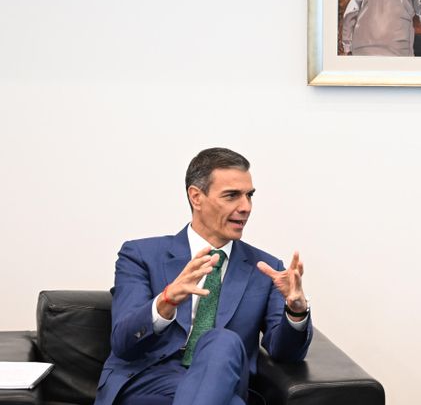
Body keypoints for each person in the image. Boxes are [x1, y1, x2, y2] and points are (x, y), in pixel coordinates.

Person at [95, 148, 312, 405]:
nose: (246, 207)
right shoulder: (140, 254)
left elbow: (286, 354)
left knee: (222, 340)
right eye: (232, 196)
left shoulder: (265, 268)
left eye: (249, 196)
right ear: (196, 197)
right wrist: (166, 301)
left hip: (225, 376)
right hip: (148, 380)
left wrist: (296, 310)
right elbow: (123, 342)